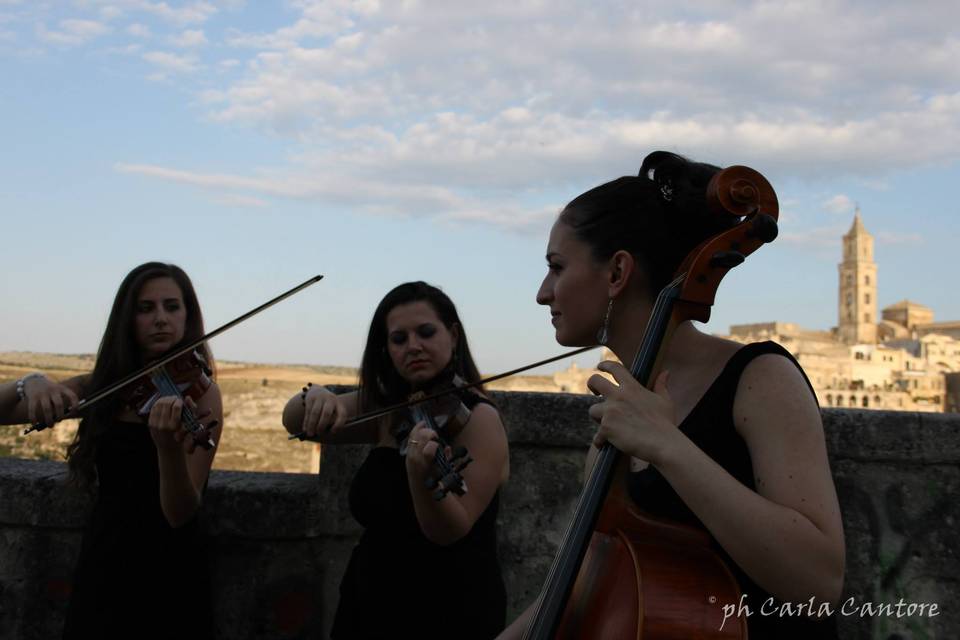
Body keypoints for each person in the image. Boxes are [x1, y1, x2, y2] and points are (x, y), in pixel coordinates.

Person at [500, 151, 845, 638]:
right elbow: (579, 586)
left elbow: (819, 582)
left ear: (618, 272)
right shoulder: (621, 413)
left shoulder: (760, 377)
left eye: (557, 267)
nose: (543, 292)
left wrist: (668, 447)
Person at [0, 262, 222, 639]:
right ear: (127, 319)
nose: (161, 319)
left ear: (188, 316)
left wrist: (166, 450)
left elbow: (180, 513)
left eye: (172, 306)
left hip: (170, 571)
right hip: (106, 559)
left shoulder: (201, 395)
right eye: (145, 308)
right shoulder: (102, 386)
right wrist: (33, 381)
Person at [283, 281, 509, 639]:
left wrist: (421, 476)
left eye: (425, 332)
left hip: (445, 614)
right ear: (386, 350)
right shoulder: (390, 408)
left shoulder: (479, 419)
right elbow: (296, 422)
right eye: (398, 339)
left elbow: (450, 529)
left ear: (452, 335)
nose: (413, 346)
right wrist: (316, 396)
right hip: (369, 605)